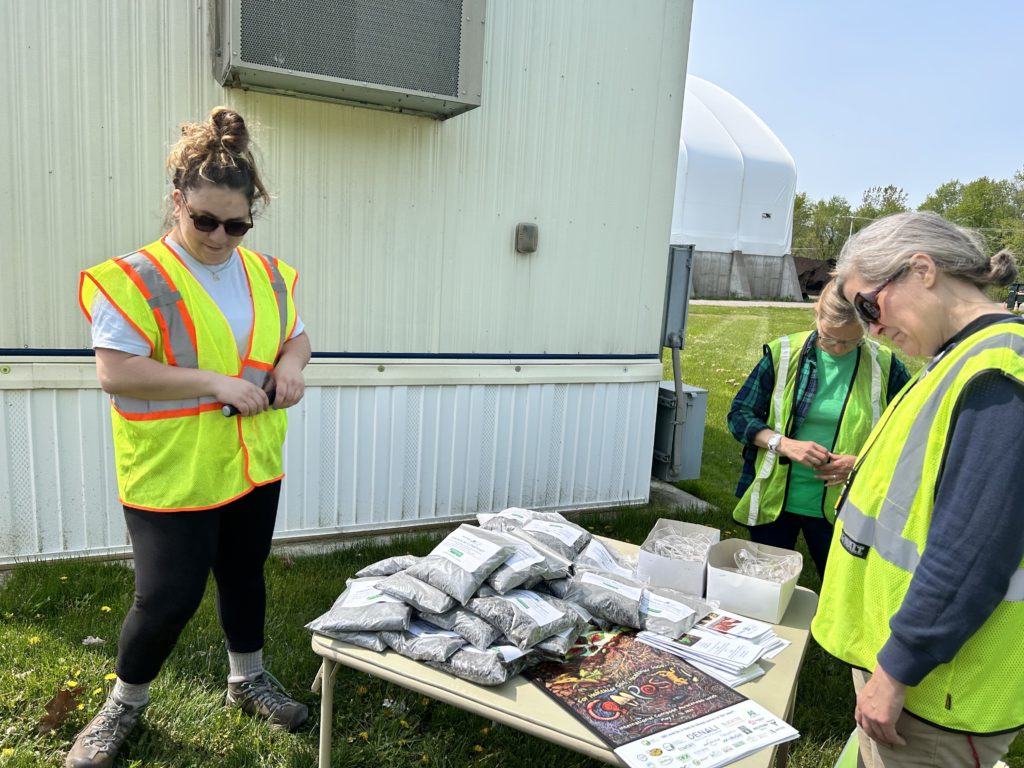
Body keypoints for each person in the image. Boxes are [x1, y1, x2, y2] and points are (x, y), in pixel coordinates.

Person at [69, 107, 312, 768]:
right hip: (171, 471)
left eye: (237, 224)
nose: (220, 236)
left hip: (251, 462)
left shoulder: (267, 274)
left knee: (244, 576)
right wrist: (214, 383)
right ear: (177, 200)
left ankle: (248, 680)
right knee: (167, 597)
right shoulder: (133, 279)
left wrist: (289, 367)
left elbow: (296, 337)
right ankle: (123, 704)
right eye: (204, 220)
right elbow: (116, 371)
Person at [811, 211, 1024, 767]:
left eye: (868, 306)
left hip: (939, 691)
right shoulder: (960, 357)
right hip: (916, 675)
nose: (870, 328)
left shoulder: (999, 373)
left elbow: (972, 551)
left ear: (921, 270)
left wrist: (898, 667)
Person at [727, 280, 911, 578]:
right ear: (816, 314)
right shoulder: (783, 353)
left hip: (846, 504)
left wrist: (859, 464)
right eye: (829, 338)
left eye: (851, 342)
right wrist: (783, 444)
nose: (839, 349)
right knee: (764, 587)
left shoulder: (885, 366)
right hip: (776, 501)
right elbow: (739, 416)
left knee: (839, 593)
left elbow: (911, 435)